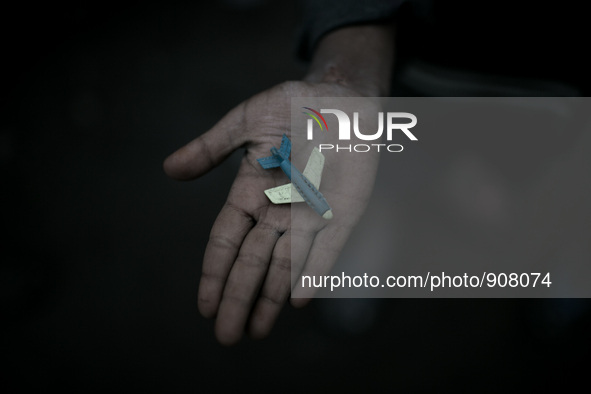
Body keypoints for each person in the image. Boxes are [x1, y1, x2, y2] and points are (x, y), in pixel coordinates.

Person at [163, 0, 589, 345]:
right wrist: (350, 64)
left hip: (557, 101)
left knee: (544, 172)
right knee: (385, 155)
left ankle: (572, 249)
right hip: (418, 64)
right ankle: (384, 220)